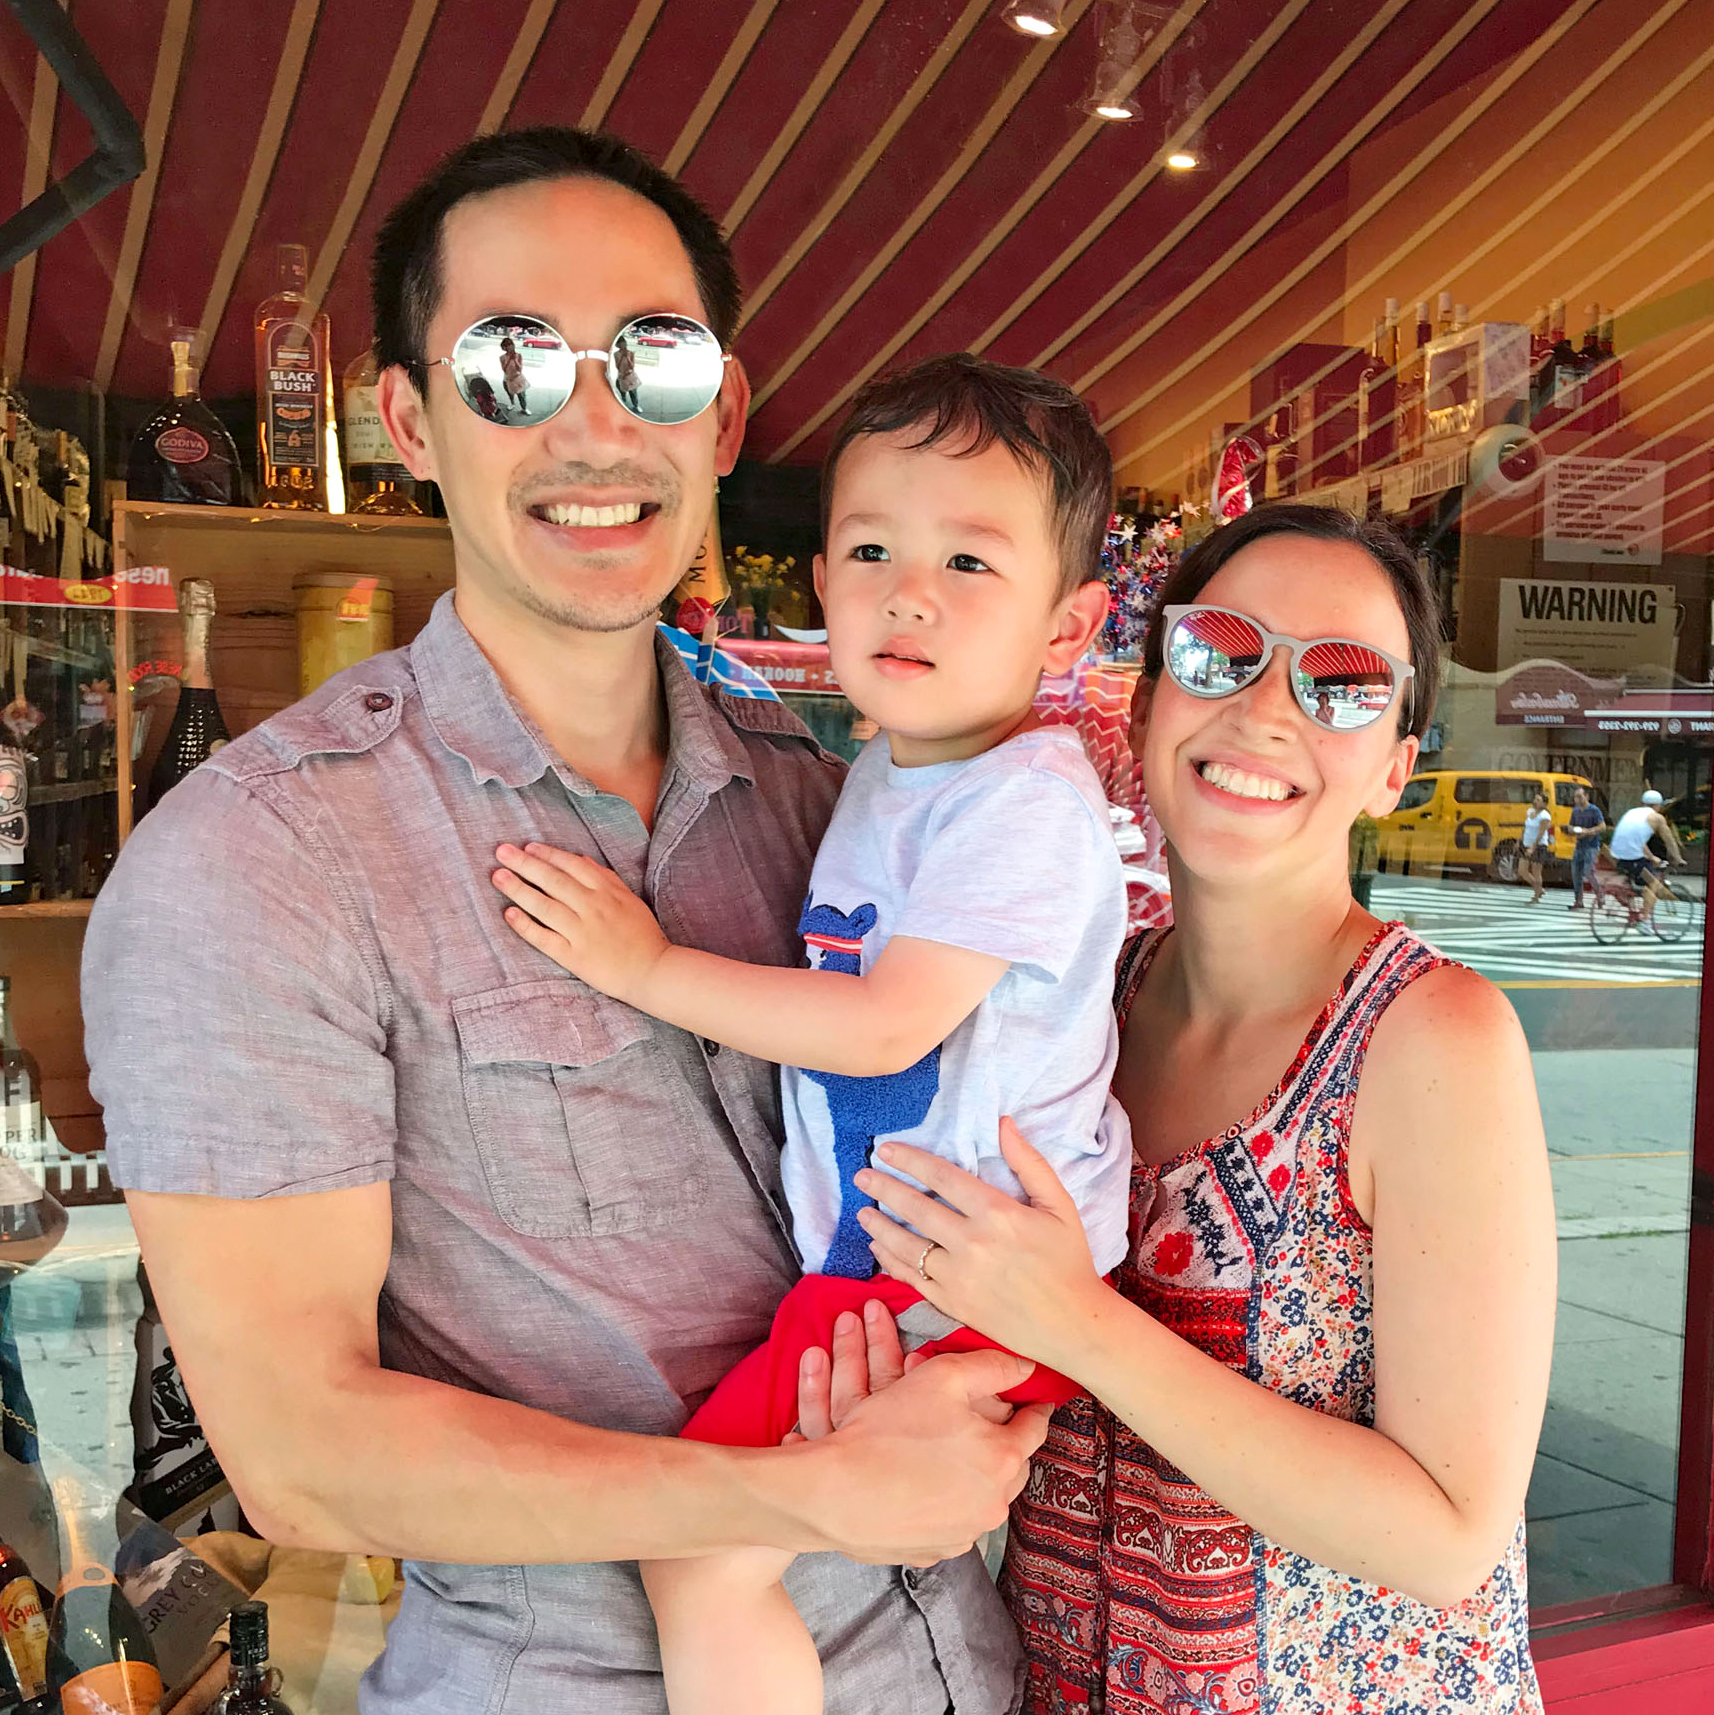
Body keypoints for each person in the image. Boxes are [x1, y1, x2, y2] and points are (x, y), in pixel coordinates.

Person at [80, 128, 1049, 1715]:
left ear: (724, 415)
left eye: (655, 361)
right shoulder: (262, 858)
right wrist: (792, 1501)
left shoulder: (838, 801)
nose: (596, 425)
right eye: (512, 363)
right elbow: (306, 1455)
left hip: (965, 1660)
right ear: (409, 419)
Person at [827, 504, 1556, 1711]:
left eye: (1343, 681)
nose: (1266, 709)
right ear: (1145, 701)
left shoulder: (1431, 1038)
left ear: (1394, 769)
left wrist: (1074, 1318)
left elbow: (1446, 1534)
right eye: (1221, 650)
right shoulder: (1080, 1002)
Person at [495, 353, 1132, 1715]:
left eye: (970, 562)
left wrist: (645, 965)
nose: (907, 588)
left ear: (1068, 627)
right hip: (914, 1273)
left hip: (958, 1283)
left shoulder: (1019, 798)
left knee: (701, 1551)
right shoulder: (893, 773)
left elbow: (885, 1022)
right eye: (868, 546)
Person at [1610, 788, 1685, 920]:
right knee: (1654, 884)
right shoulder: (1657, 818)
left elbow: (1637, 840)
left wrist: (1651, 857)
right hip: (1633, 857)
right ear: (1658, 805)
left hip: (1616, 855)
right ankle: (1645, 920)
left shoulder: (1631, 813)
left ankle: (1629, 904)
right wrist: (1678, 859)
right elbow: (1670, 841)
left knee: (1639, 880)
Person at [1568, 784, 1605, 909]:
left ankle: (1600, 894)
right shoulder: (1575, 810)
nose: (1577, 800)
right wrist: (1574, 830)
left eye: (1579, 796)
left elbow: (1602, 826)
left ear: (1586, 797)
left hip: (1592, 846)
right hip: (1579, 845)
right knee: (1575, 873)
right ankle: (1578, 900)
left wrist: (1588, 832)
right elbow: (1570, 826)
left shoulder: (1594, 810)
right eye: (1575, 797)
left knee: (1589, 872)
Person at [1520, 788, 1554, 903]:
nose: (1536, 801)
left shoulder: (1544, 816)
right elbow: (1525, 828)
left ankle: (1536, 895)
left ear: (1544, 803)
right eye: (1535, 799)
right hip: (1526, 843)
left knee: (1536, 871)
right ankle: (1539, 888)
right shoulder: (1530, 812)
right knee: (1522, 870)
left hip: (1538, 846)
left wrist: (1533, 847)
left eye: (1539, 800)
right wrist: (1519, 840)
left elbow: (1541, 833)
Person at [499, 333, 527, 417]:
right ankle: (512, 404)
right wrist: (508, 360)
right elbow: (504, 369)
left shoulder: (518, 356)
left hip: (518, 379)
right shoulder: (502, 357)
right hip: (507, 379)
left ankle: (524, 408)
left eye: (509, 345)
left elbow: (520, 369)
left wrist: (515, 360)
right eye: (505, 346)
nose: (507, 348)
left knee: (522, 395)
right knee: (510, 394)